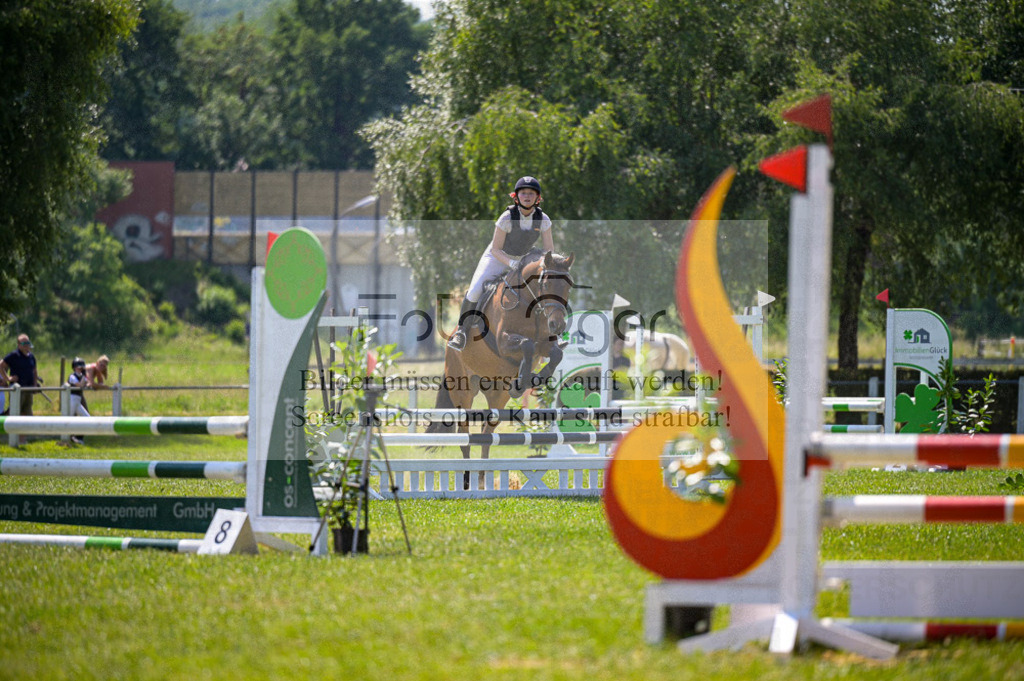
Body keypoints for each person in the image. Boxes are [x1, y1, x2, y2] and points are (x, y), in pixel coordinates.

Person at [448, 176, 555, 351]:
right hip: (498, 257)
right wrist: (511, 263)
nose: (527, 196)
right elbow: (495, 249)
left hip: (525, 258)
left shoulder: (543, 219)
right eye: (523, 193)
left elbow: (548, 251)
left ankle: (550, 335)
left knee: (546, 287)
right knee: (475, 289)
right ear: (516, 196)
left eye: (531, 193)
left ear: (538, 198)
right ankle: (461, 331)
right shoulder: (507, 217)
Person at [0, 334, 42, 418]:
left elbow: (34, 371)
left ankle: (27, 430)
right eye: (24, 343)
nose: (26, 345)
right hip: (17, 390)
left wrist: (34, 385)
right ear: (19, 344)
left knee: (28, 412)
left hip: (28, 389)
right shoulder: (14, 355)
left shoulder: (31, 356)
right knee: (15, 412)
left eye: (28, 342)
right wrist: (7, 378)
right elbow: (1, 366)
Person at [67, 357, 91, 444]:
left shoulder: (82, 376)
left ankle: (78, 437)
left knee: (87, 419)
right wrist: (84, 378)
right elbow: (80, 385)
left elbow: (87, 383)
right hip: (72, 399)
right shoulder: (72, 376)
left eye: (81, 366)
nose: (80, 368)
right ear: (74, 367)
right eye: (78, 366)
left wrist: (87, 382)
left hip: (77, 401)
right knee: (69, 420)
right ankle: (67, 438)